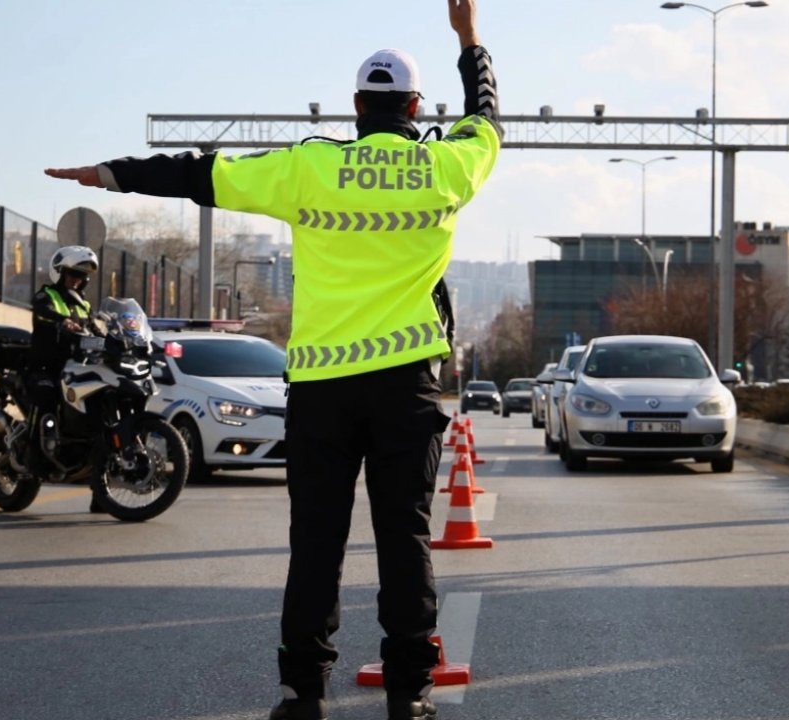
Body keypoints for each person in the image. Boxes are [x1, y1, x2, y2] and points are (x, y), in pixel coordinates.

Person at [45, 2, 499, 716]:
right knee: (403, 537)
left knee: (315, 544)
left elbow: (202, 175)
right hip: (404, 387)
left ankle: (302, 693)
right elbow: (487, 119)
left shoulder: (308, 168)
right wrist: (468, 40)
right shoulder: (446, 167)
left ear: (356, 108)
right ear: (415, 107)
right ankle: (409, 694)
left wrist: (110, 173)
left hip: (321, 390)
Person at [25, 246, 98, 486]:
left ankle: (100, 488)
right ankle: (32, 455)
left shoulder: (83, 304)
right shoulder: (47, 295)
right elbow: (41, 310)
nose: (77, 280)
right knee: (46, 397)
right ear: (59, 272)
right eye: (73, 275)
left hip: (75, 367)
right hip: (46, 366)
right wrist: (62, 321)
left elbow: (95, 327)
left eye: (81, 277)